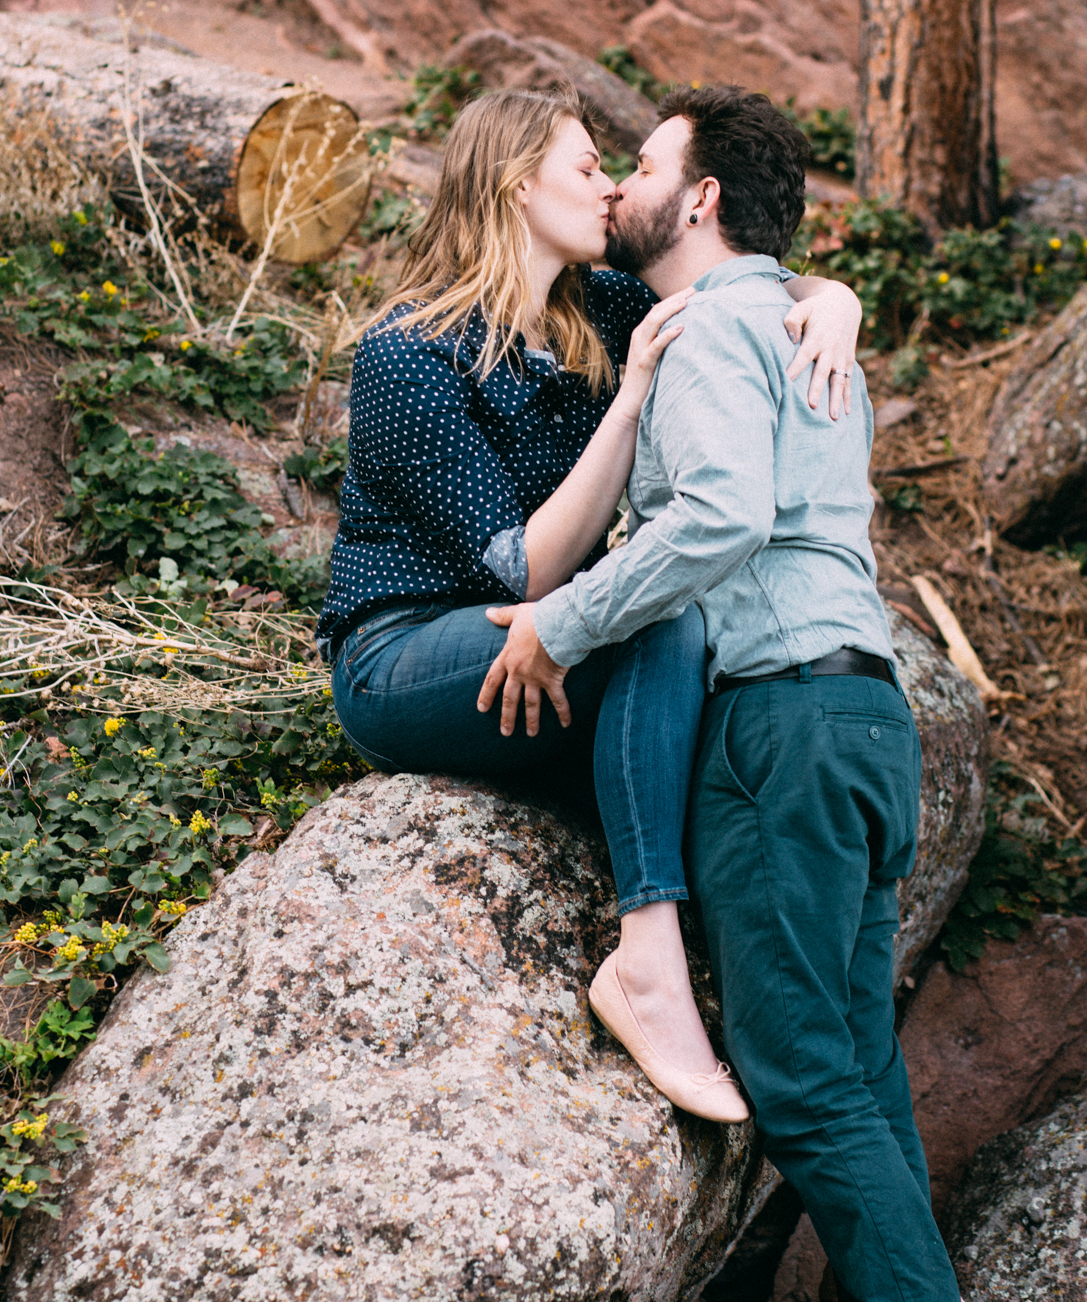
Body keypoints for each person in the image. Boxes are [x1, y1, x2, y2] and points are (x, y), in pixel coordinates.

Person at [479, 86, 1007, 1302]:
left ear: (699, 198)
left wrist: (561, 621)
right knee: (850, 1057)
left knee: (793, 1065)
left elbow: (716, 517)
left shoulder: (719, 325)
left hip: (778, 722)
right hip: (863, 715)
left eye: (644, 164)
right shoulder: (786, 317)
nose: (623, 188)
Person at [316, 81, 862, 1122]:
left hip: (544, 647)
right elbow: (521, 573)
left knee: (683, 652)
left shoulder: (599, 308)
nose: (610, 186)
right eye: (585, 167)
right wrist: (629, 404)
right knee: (656, 610)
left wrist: (832, 298)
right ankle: (647, 958)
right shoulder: (406, 354)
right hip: (409, 653)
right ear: (518, 185)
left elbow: (741, 278)